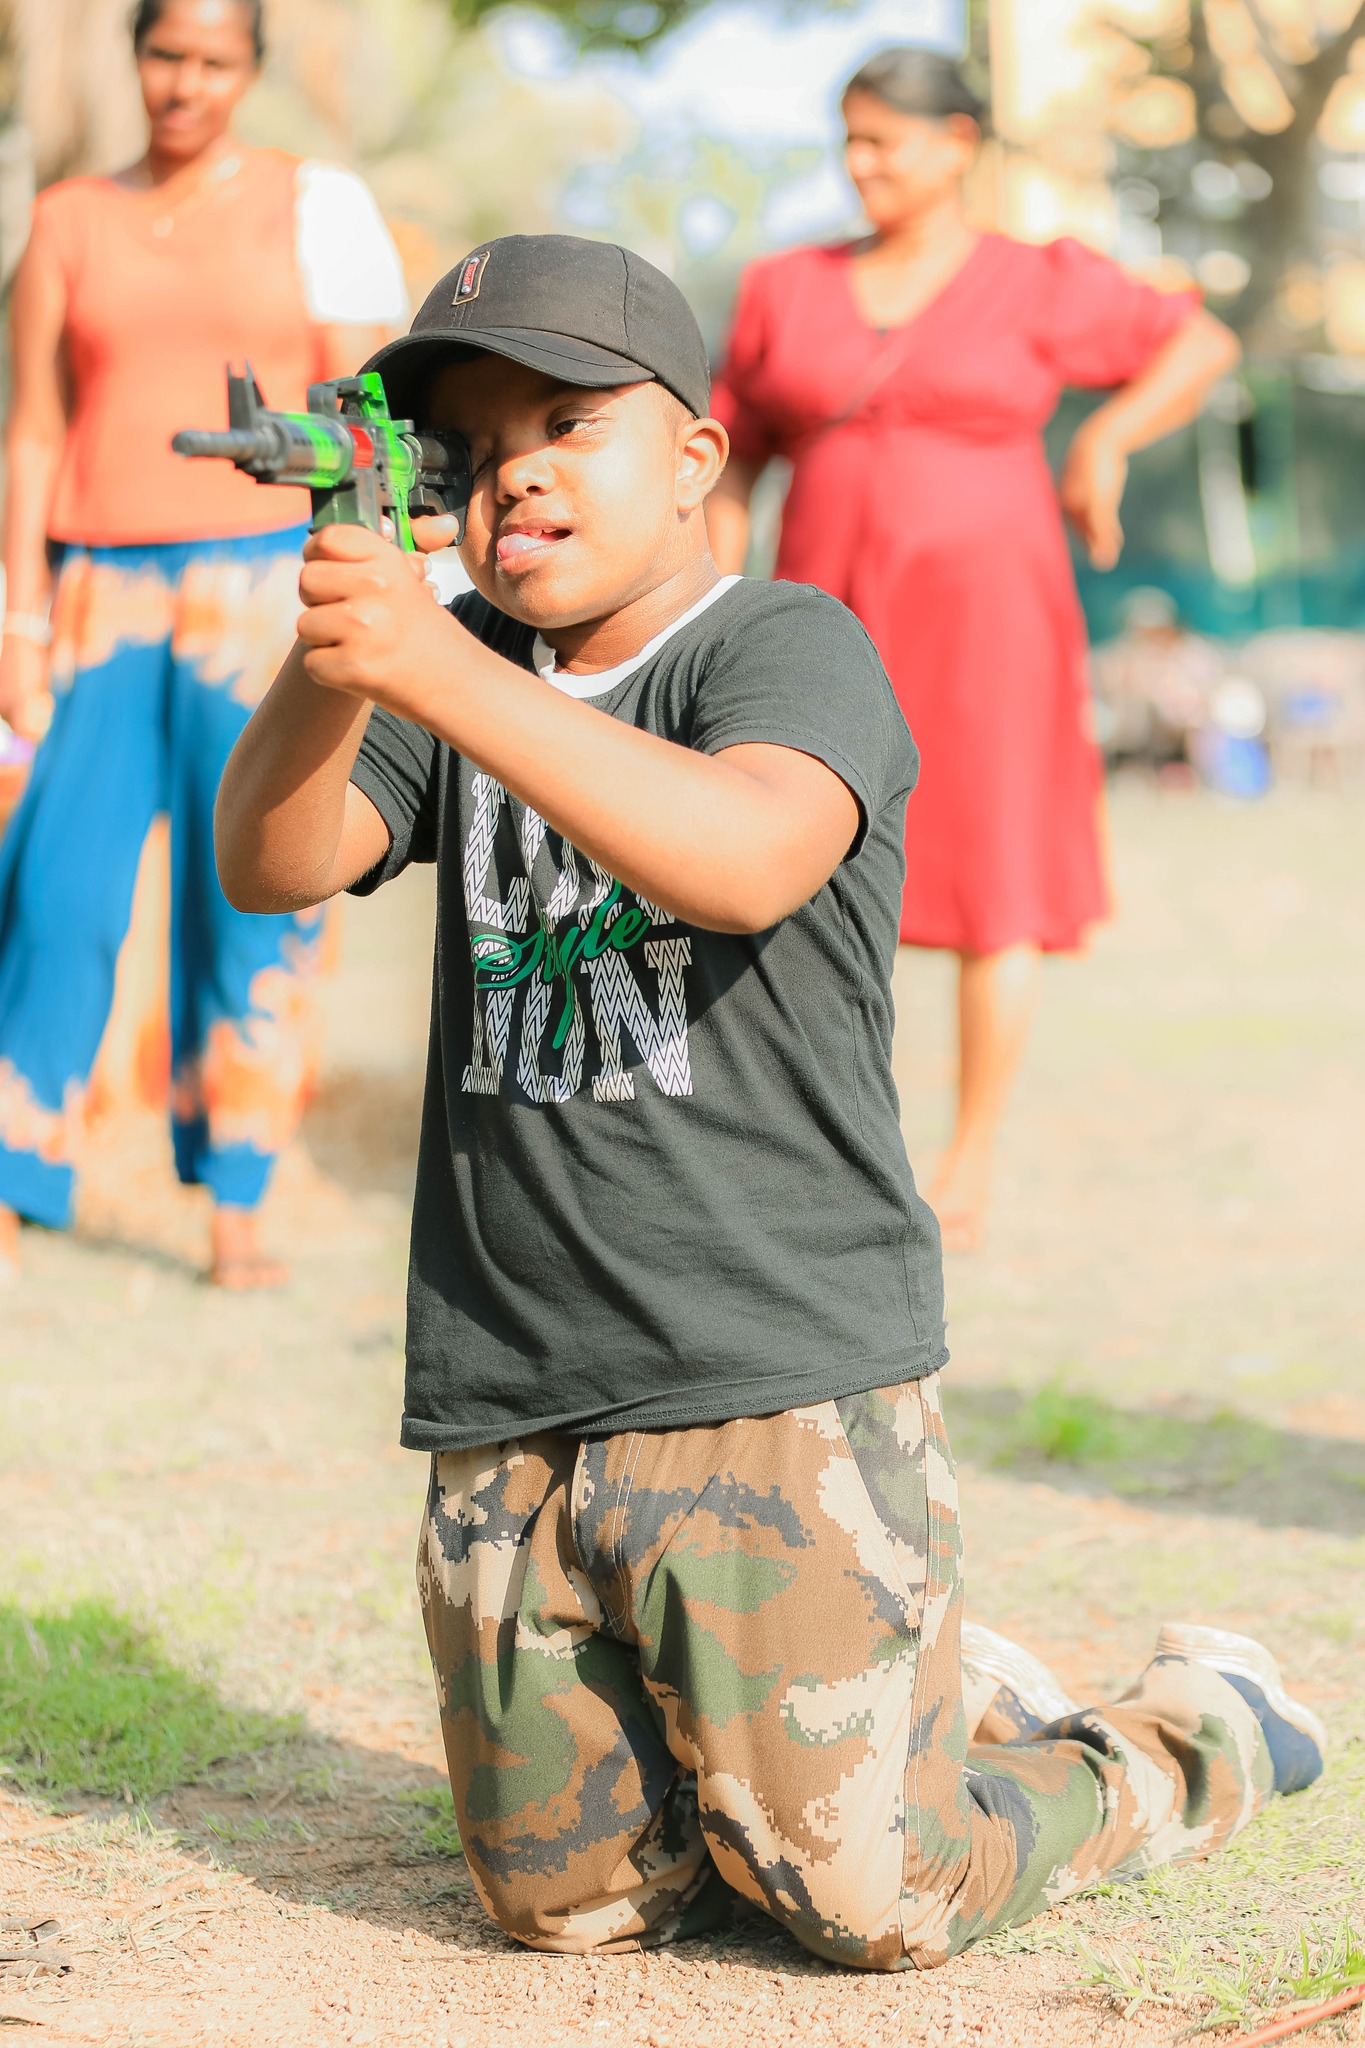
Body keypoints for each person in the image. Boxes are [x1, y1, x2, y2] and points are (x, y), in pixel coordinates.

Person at [214, 231, 1323, 1967]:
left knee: (870, 1901)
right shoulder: (454, 663)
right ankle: (908, 1699)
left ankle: (1187, 1734)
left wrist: (437, 670)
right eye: (480, 438)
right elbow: (268, 857)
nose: (519, 468)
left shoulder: (786, 644)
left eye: (571, 419)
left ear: (699, 459)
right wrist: (343, 629)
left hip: (772, 1376)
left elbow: (743, 858)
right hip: (517, 1398)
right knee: (568, 1909)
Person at [706, 46, 1241, 1250]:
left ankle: (972, 1157)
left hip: (995, 612)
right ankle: (820, 1140)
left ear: (957, 145)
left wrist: (1106, 442)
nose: (861, 165)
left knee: (993, 869)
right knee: (804, 859)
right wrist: (714, 589)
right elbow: (730, 445)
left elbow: (1199, 346)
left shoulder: (1037, 278)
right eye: (848, 140)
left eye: (885, 140)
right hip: (824, 608)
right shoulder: (785, 284)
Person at [0, 0, 406, 1288]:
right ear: (135, 60)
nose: (186, 82)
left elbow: (367, 405)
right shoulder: (67, 217)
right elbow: (31, 432)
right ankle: (19, 1175)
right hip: (94, 595)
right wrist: (14, 613)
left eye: (215, 61)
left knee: (256, 897)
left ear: (250, 72)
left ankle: (237, 1197)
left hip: (257, 592)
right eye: (166, 54)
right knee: (53, 892)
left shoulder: (312, 202)